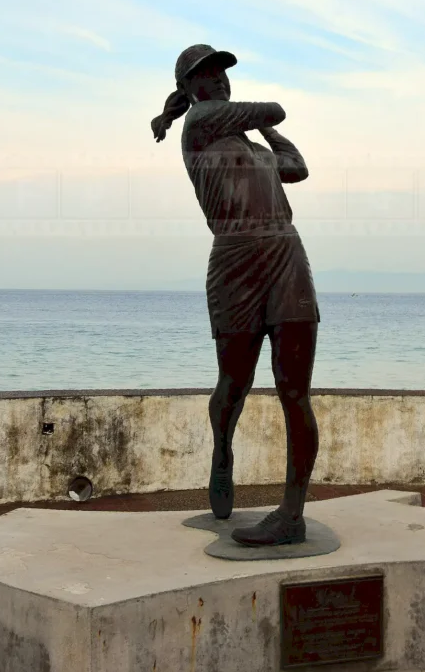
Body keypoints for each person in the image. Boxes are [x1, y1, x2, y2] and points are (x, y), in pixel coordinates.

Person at [151, 44, 320, 547]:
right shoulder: (199, 125)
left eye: (223, 72)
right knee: (234, 380)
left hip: (286, 256)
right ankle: (222, 450)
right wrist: (262, 122)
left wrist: (262, 136)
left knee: (296, 393)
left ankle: (292, 514)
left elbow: (296, 166)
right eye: (207, 74)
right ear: (189, 88)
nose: (220, 79)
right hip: (236, 260)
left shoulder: (252, 147)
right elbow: (276, 109)